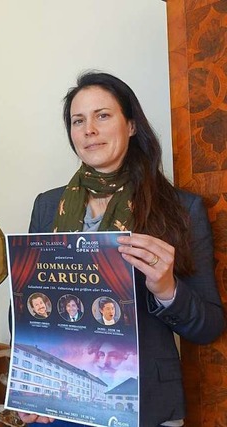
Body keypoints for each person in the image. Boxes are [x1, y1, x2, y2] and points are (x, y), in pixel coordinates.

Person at [20, 71, 225, 427]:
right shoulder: (47, 207)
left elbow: (208, 327)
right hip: (61, 405)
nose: (89, 130)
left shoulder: (180, 208)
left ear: (130, 125)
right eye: (78, 120)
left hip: (144, 403)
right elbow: (24, 309)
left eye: (103, 115)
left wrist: (167, 289)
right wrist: (29, 392)